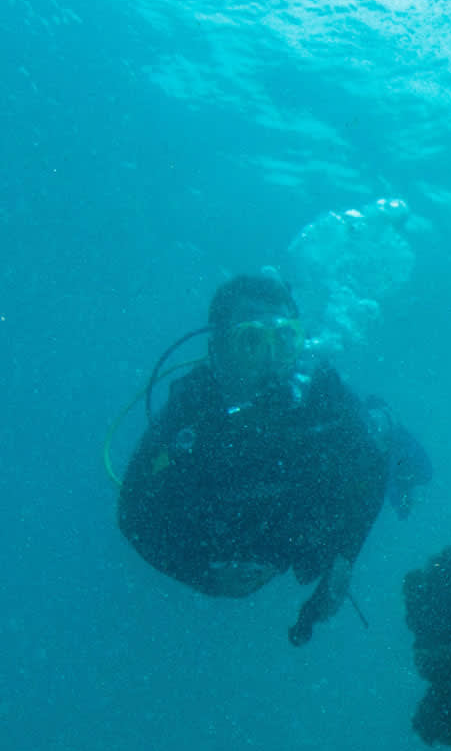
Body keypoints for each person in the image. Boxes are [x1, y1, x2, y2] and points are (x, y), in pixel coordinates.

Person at [117, 273, 426, 645]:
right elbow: (134, 513)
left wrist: (342, 564)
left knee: (392, 450)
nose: (270, 359)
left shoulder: (323, 396)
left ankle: (383, 419)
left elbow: (367, 475)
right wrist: (204, 578)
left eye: (284, 339)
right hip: (242, 529)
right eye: (251, 339)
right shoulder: (190, 414)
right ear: (218, 347)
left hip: (295, 519)